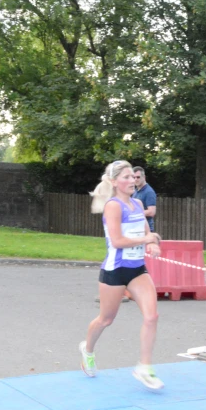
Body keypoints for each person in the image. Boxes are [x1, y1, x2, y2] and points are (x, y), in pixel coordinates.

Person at [80, 160, 164, 389]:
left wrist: (153, 243)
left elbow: (148, 232)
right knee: (106, 319)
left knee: (151, 316)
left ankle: (144, 367)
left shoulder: (137, 204)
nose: (132, 181)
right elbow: (116, 241)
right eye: (126, 177)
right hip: (115, 271)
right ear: (114, 182)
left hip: (137, 270)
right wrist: (144, 240)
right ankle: (87, 350)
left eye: (134, 177)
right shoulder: (113, 206)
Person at [132, 167, 157, 232]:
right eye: (134, 177)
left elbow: (152, 212)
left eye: (138, 177)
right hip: (136, 228)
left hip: (146, 230)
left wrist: (133, 214)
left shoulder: (149, 192)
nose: (135, 179)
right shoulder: (135, 191)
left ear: (144, 177)